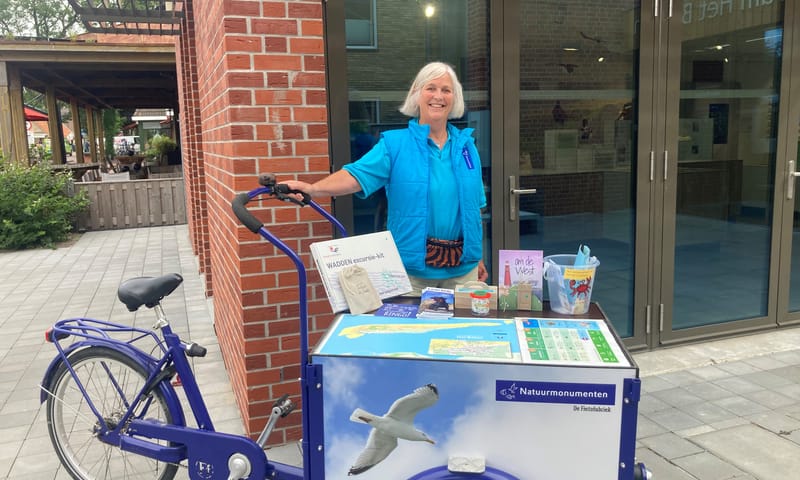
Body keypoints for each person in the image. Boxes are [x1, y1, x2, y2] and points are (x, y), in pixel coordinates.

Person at [285, 61, 488, 295]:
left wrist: (477, 254)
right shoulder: (395, 145)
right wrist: (312, 189)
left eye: (446, 90)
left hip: (464, 271)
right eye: (430, 88)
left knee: (461, 332)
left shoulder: (466, 147)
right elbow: (356, 175)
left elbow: (475, 207)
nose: (438, 96)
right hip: (412, 276)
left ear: (455, 98)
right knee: (411, 333)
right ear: (416, 94)